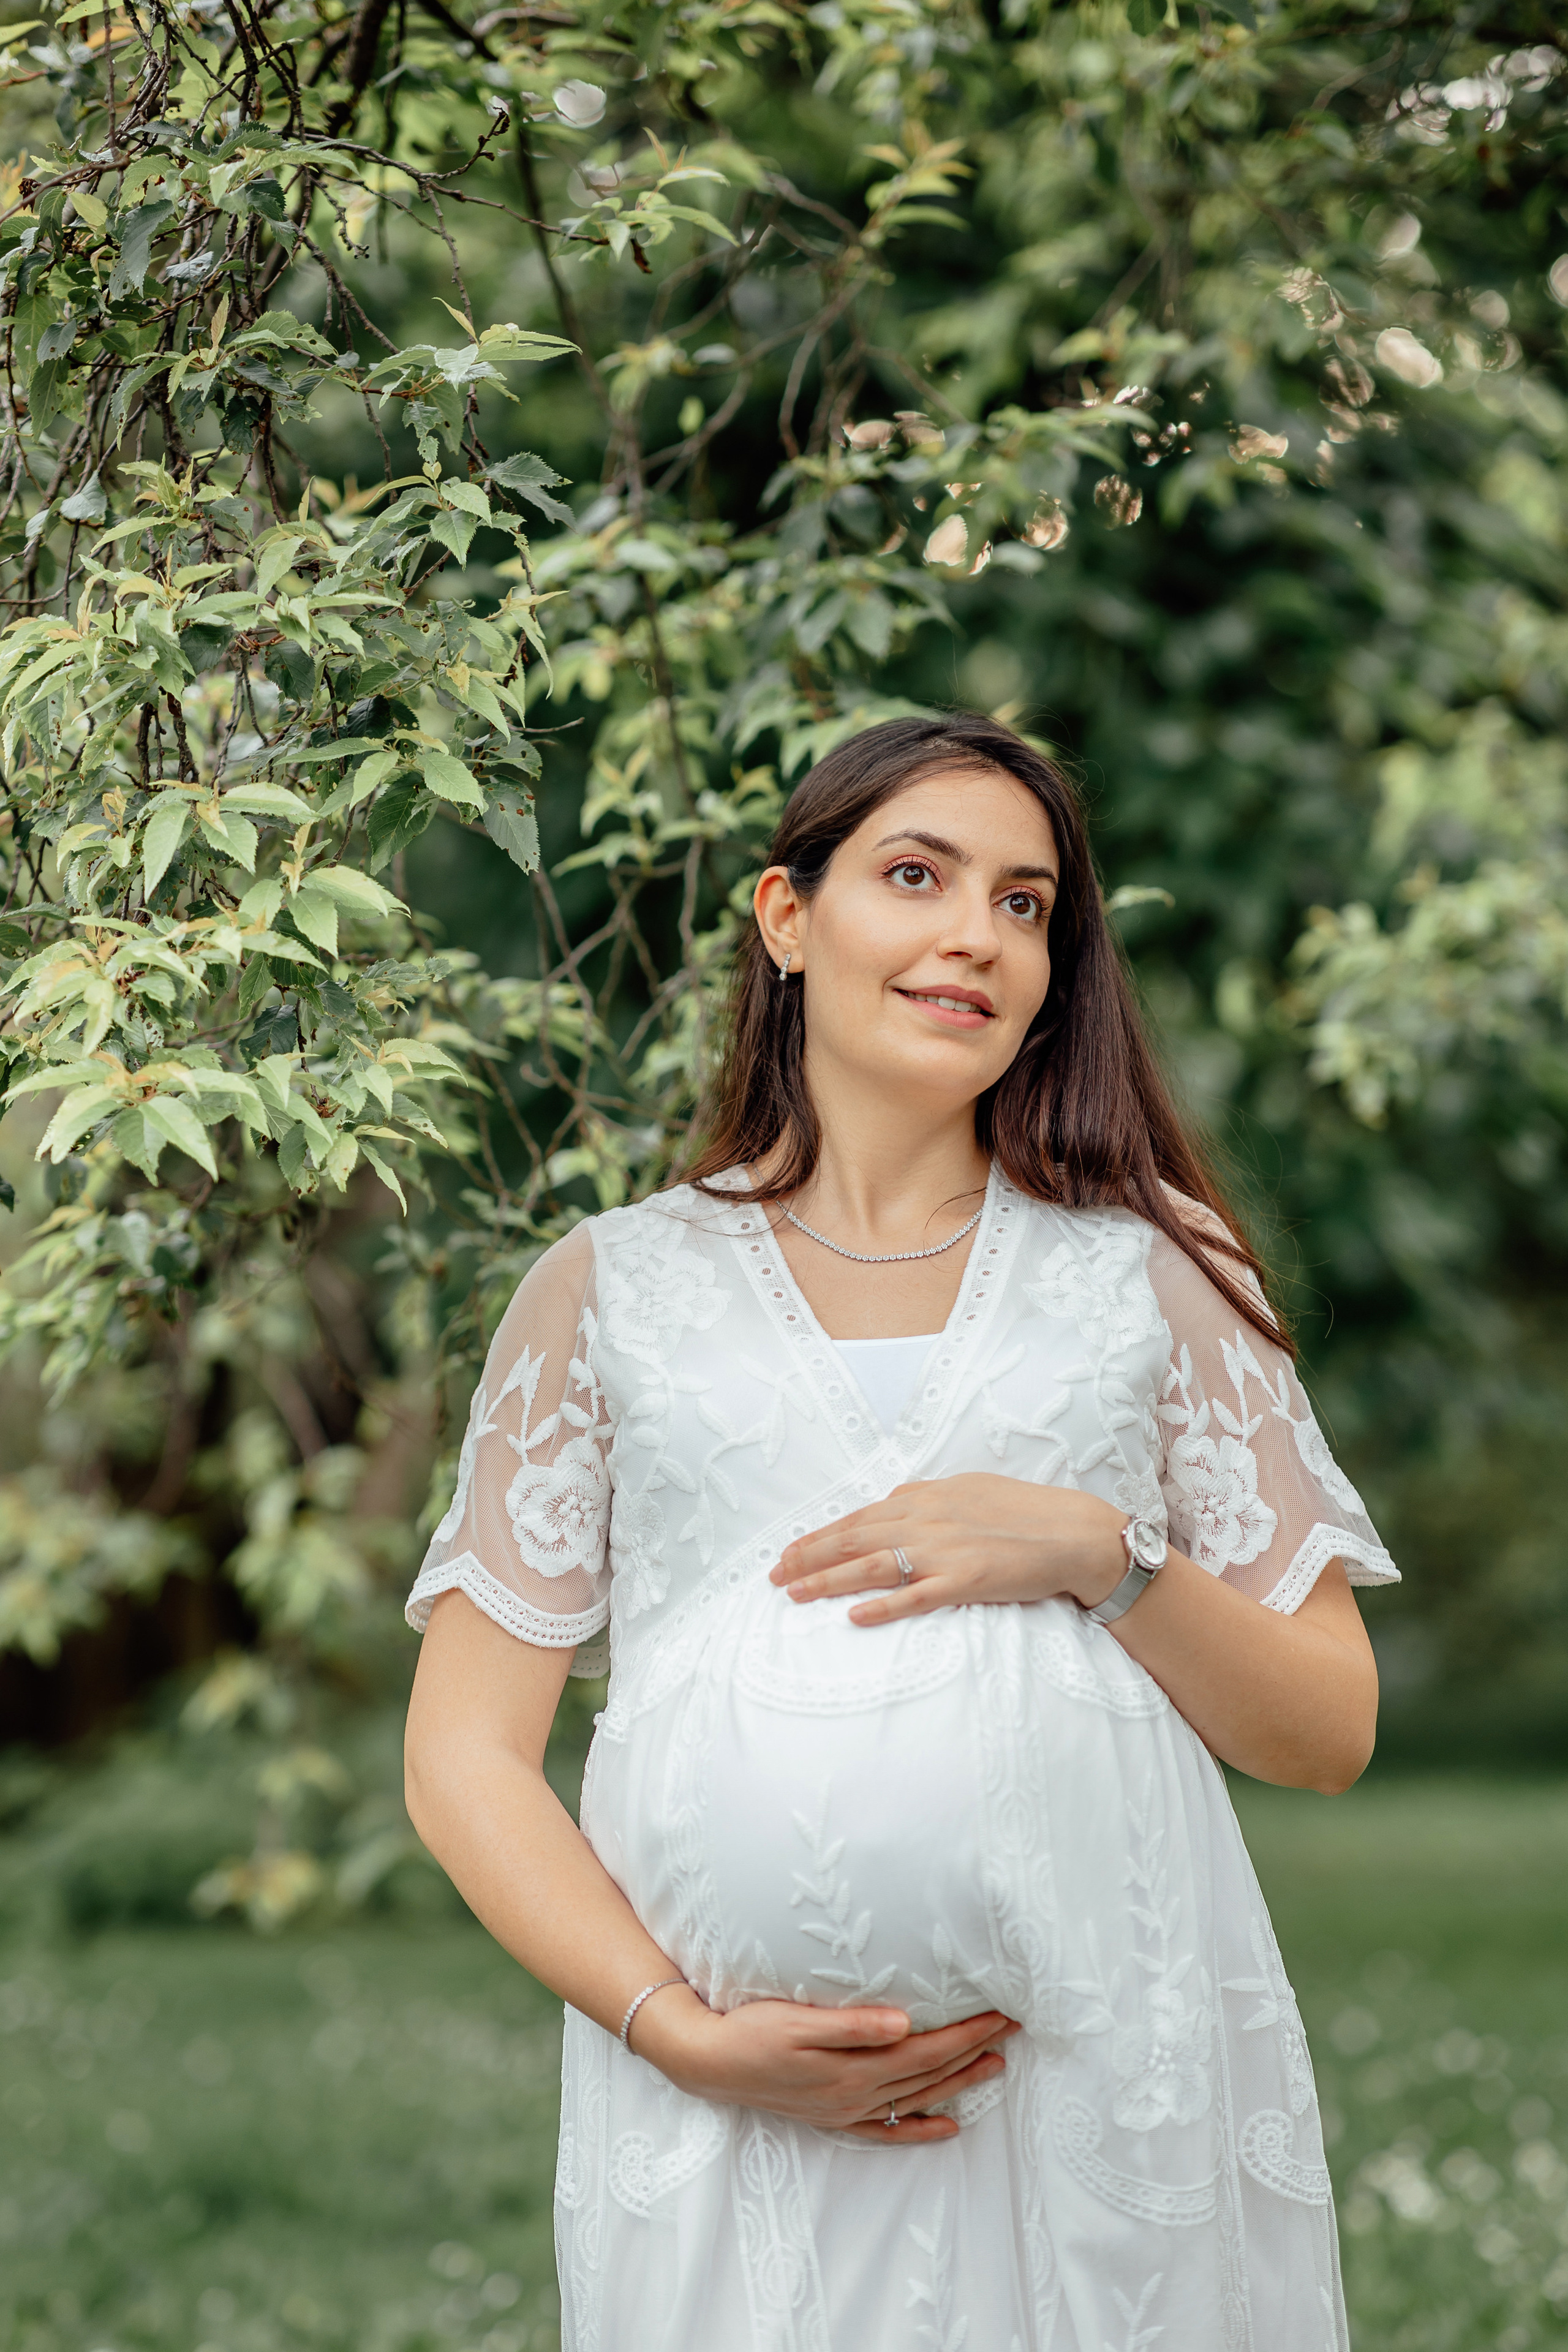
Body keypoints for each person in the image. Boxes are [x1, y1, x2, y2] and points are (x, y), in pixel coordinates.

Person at [403, 712, 1396, 2351]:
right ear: (790, 922)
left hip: (1096, 2091)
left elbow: (1329, 1727)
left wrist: (1105, 1557)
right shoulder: (610, 1292)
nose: (976, 936)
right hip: (727, 2121)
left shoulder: (1152, 1273)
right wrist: (680, 2034)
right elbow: (463, 1762)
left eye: (1024, 904)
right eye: (918, 876)